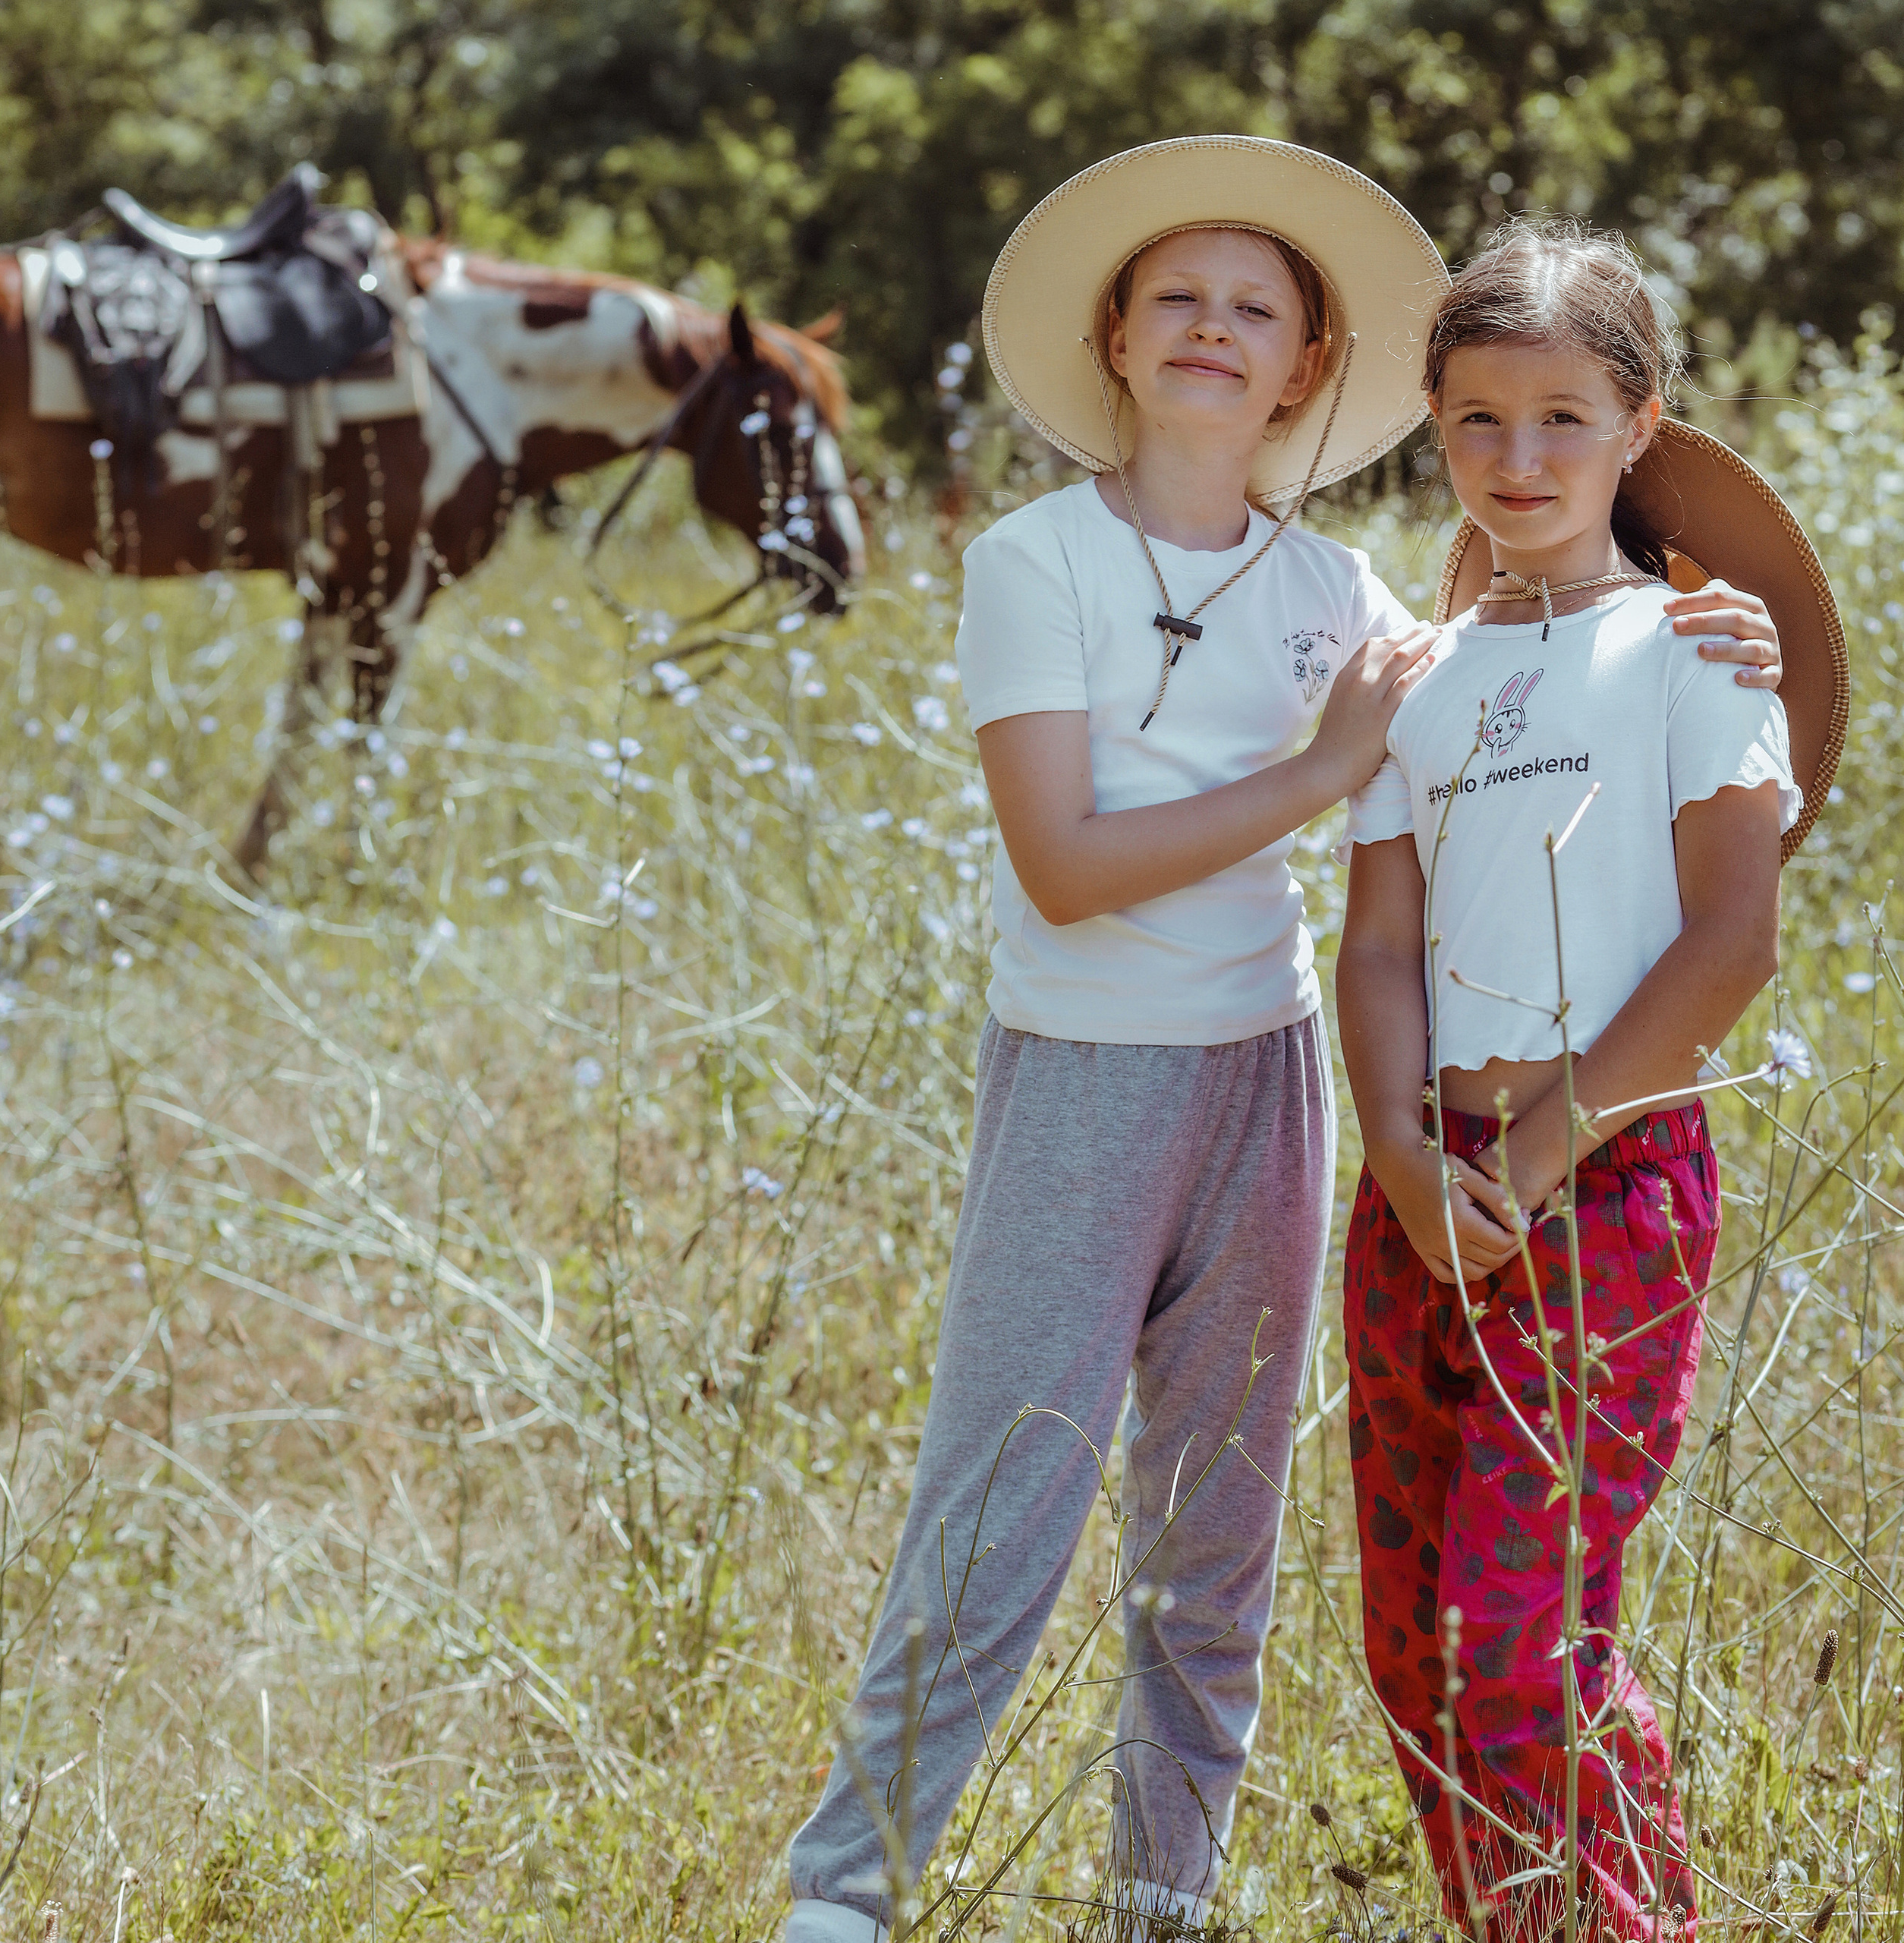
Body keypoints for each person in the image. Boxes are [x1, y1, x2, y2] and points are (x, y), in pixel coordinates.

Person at [783, 143, 1783, 1943]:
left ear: (1310, 367)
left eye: (1257, 307)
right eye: (1177, 294)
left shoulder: (1346, 595)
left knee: (1219, 1524)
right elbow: (1072, 867)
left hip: (1277, 1077)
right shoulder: (1039, 560)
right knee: (1005, 1486)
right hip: (1093, 1069)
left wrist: (1734, 606)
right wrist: (1319, 782)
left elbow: (1556, 660)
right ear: (1111, 326)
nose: (1213, 329)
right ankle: (844, 1895)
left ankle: (1165, 1889)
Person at [1336, 216, 1843, 1942]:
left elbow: (1727, 947)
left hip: (1600, 1176)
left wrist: (1539, 1152)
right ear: (1431, 424)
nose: (1516, 457)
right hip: (1418, 1183)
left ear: (1638, 424)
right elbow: (1378, 944)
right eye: (1475, 419)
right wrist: (1402, 1157)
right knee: (1412, 1644)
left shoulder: (1698, 652)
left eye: (1559, 416)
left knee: (1521, 1636)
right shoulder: (1417, 680)